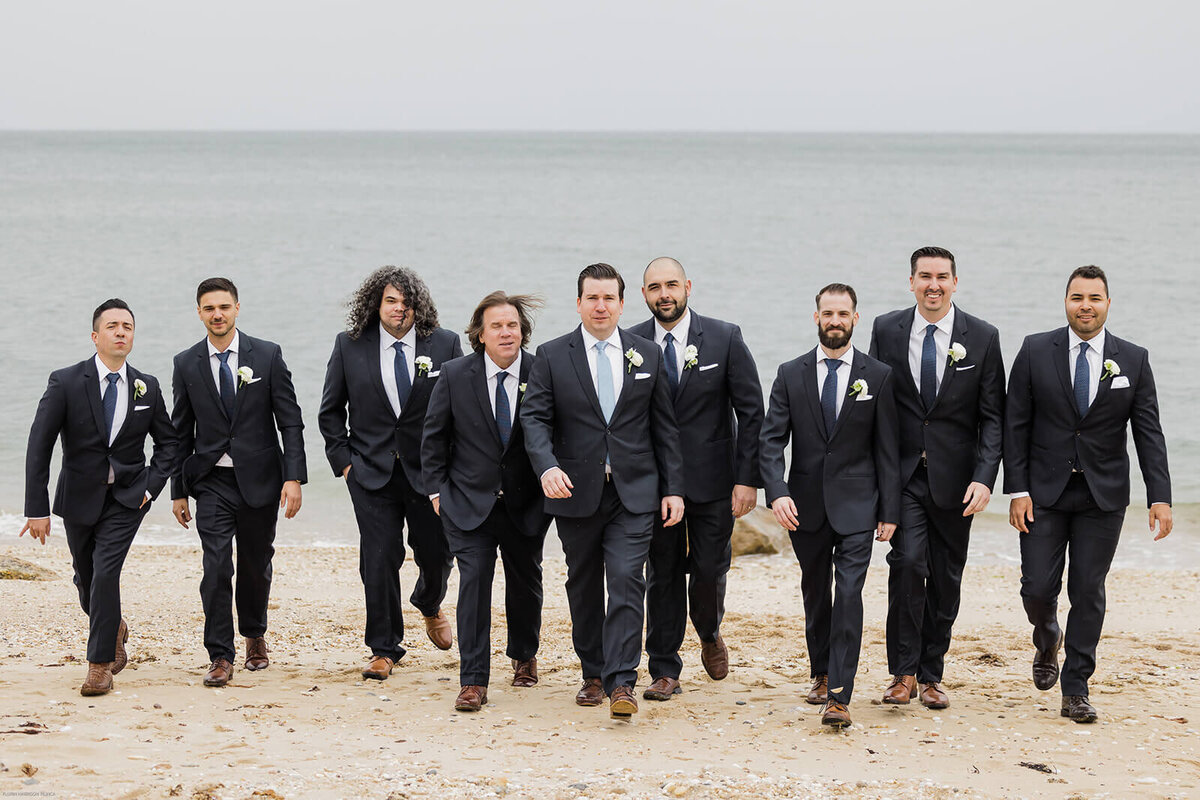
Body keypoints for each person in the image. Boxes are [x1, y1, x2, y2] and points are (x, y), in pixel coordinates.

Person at [1005, 265, 1172, 724]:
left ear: (1108, 304)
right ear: (1065, 302)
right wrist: (1017, 489)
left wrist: (1160, 495)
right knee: (1038, 587)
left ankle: (1076, 687)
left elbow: (1148, 432)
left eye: (1094, 298)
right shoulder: (1036, 350)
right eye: (1077, 297)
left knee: (1088, 590)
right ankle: (1046, 637)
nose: (1086, 306)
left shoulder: (1133, 359)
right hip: (1043, 493)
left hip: (1104, 495)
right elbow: (1014, 424)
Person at [520, 262, 685, 719]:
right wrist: (546, 467)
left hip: (635, 492)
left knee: (629, 579)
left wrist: (673, 488)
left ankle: (622, 681)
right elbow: (534, 419)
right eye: (592, 297)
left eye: (608, 298)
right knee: (584, 584)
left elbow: (664, 429)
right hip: (575, 491)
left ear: (622, 303)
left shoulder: (646, 354)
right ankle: (592, 673)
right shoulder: (553, 355)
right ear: (578, 303)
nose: (600, 306)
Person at [868, 246, 1005, 709]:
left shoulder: (983, 337)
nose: (933, 284)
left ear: (955, 282)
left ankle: (931, 674)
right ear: (911, 282)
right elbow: (874, 406)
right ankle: (902, 673)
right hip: (903, 476)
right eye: (924, 276)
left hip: (957, 481)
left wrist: (985, 477)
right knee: (907, 566)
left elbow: (993, 418)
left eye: (942, 276)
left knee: (946, 577)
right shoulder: (887, 329)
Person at [761, 283, 900, 729]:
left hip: (860, 506)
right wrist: (777, 492)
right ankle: (820, 672)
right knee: (816, 592)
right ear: (816, 317)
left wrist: (890, 511)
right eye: (828, 313)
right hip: (804, 507)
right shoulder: (790, 373)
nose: (835, 320)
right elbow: (770, 441)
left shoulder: (878, 375)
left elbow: (887, 449)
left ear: (855, 318)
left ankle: (839, 694)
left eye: (843, 313)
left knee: (850, 595)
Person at [22, 298, 178, 696]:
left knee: (106, 572)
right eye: (112, 326)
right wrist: (36, 508)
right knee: (85, 576)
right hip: (78, 497)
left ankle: (99, 665)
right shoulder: (66, 381)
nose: (121, 332)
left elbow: (169, 445)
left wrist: (150, 487)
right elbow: (40, 445)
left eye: (127, 326)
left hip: (128, 498)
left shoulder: (148, 385)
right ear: (96, 336)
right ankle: (115, 627)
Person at [627, 257, 764, 700]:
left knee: (708, 570)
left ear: (687, 286)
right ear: (644, 294)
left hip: (713, 482)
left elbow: (751, 411)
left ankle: (709, 631)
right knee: (661, 574)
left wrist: (748, 479)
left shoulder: (724, 338)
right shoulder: (629, 343)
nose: (663, 294)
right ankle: (664, 669)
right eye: (654, 287)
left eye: (671, 285)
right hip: (654, 484)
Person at [319, 266, 462, 680]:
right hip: (369, 472)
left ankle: (429, 601)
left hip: (430, 471)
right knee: (379, 558)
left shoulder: (446, 344)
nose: (399, 309)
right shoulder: (349, 346)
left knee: (436, 552)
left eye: (406, 301)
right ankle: (384, 648)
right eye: (391, 301)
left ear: (419, 305)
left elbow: (462, 407)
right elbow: (331, 411)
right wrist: (344, 463)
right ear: (376, 305)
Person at [170, 277, 306, 687]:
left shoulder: (266, 355)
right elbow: (180, 431)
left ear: (237, 308)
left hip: (261, 480)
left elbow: (290, 420)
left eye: (224, 307)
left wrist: (294, 477)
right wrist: (177, 489)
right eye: (209, 308)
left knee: (255, 564)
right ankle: (219, 654)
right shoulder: (186, 362)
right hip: (211, 480)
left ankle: (254, 634)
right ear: (199, 313)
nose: (217, 315)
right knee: (215, 567)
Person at [421, 291, 552, 711]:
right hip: (466, 503)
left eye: (512, 325)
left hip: (526, 503)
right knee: (474, 586)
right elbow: (433, 437)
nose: (505, 332)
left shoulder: (542, 371)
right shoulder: (454, 374)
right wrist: (437, 491)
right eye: (496, 325)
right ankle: (473, 680)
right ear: (480, 333)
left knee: (526, 584)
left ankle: (523, 656)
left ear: (522, 330)